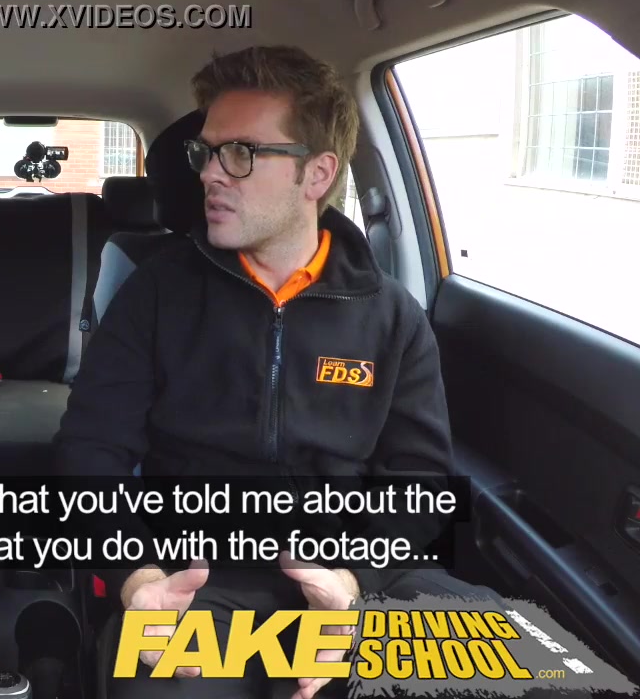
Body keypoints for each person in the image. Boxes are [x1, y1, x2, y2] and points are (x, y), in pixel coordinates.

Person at [55, 45, 494, 699]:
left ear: (317, 174)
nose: (211, 174)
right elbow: (90, 453)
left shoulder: (390, 316)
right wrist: (139, 578)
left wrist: (354, 584)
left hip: (349, 576)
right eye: (207, 153)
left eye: (241, 153)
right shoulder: (158, 294)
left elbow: (420, 483)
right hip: (196, 581)